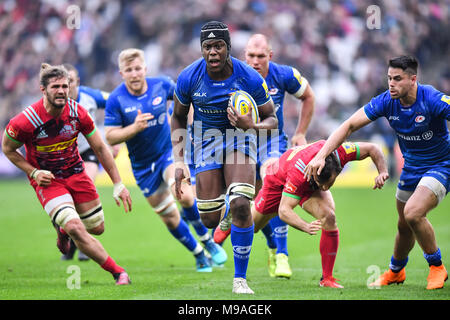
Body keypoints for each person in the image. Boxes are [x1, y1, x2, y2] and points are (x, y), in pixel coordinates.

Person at [305, 55, 449, 290]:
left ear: (413, 79)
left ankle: (436, 267)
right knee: (404, 224)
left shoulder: (431, 99)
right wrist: (321, 155)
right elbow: (349, 125)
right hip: (412, 168)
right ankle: (396, 271)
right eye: (389, 78)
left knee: (413, 214)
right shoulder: (386, 101)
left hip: (441, 165)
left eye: (398, 79)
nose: (391, 83)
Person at [170, 21, 278, 294]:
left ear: (228, 48)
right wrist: (179, 160)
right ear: (202, 49)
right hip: (205, 142)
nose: (213, 52)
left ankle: (240, 279)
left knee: (242, 203)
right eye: (208, 47)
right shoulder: (188, 77)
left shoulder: (249, 77)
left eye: (219, 46)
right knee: (208, 219)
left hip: (239, 139)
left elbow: (272, 119)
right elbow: (178, 117)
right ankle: (228, 206)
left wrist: (250, 125)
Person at [2, 63, 133, 285]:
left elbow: (100, 148)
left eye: (65, 85)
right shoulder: (25, 121)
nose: (62, 90)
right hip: (48, 181)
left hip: (76, 173)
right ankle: (118, 272)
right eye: (55, 87)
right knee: (76, 227)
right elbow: (7, 148)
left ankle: (63, 230)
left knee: (97, 228)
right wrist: (33, 172)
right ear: (43, 89)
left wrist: (118, 183)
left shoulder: (78, 112)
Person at [104, 48, 227, 273]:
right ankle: (199, 255)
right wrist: (134, 128)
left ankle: (208, 242)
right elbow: (110, 135)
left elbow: (186, 100)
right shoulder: (116, 99)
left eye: (138, 68)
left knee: (184, 194)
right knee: (169, 218)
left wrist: (190, 126)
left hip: (169, 152)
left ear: (145, 69)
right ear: (121, 73)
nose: (134, 73)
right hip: (142, 167)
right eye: (129, 70)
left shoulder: (161, 84)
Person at [213, 33, 316, 279]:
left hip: (272, 142)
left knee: (273, 182)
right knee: (256, 202)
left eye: (261, 56)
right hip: (239, 142)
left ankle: (282, 255)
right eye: (251, 56)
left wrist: (300, 132)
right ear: (243, 55)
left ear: (270, 55)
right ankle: (271, 246)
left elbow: (308, 96)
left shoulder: (284, 75)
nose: (255, 61)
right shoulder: (232, 75)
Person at [252, 140, 389, 288]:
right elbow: (284, 211)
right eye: (320, 184)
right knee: (251, 225)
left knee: (329, 217)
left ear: (337, 170)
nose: (324, 188)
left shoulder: (342, 152)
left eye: (327, 183)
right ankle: (239, 213)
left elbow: (372, 148)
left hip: (307, 184)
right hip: (278, 182)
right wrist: (305, 226)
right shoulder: (299, 172)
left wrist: (382, 172)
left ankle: (327, 279)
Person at [60, 63, 121, 261]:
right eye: (63, 81)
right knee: (64, 201)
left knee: (84, 189)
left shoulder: (90, 97)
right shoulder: (53, 103)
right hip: (62, 157)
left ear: (77, 81)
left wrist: (114, 136)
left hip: (88, 152)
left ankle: (84, 245)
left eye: (70, 80)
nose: (67, 85)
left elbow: (116, 102)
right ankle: (70, 241)